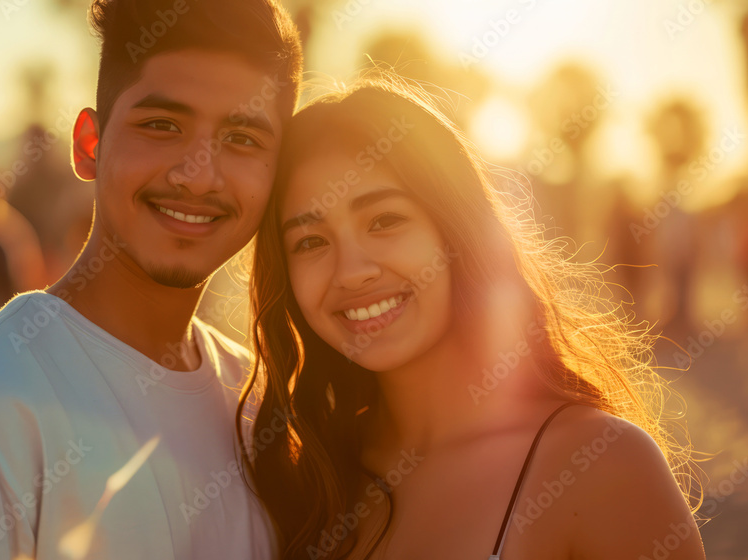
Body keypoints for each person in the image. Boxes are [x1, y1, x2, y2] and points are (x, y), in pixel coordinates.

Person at [0, 0, 302, 558]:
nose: (198, 175)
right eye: (162, 125)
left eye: (243, 138)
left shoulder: (261, 406)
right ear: (89, 144)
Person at [239, 76, 706, 559]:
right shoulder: (308, 477)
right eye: (311, 241)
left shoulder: (601, 463)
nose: (352, 272)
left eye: (385, 220)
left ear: (454, 229)